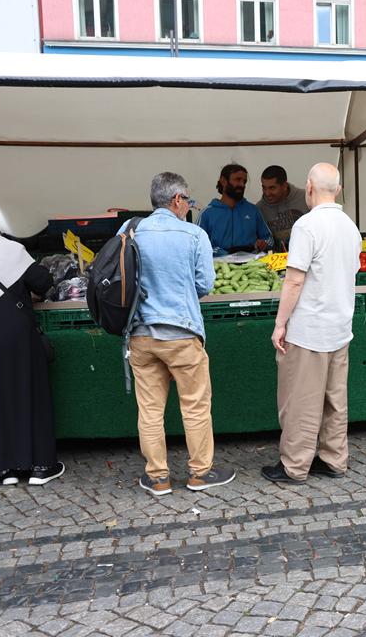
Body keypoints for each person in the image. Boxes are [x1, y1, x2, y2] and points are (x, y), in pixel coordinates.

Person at [127, 172, 235, 495]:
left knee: (149, 410)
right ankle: (200, 473)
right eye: (188, 200)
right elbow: (205, 284)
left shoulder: (130, 230)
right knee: (195, 406)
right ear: (177, 200)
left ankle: (157, 477)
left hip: (141, 334)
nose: (188, 206)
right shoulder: (194, 234)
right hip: (182, 332)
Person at [262, 163, 361, 484]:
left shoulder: (306, 225)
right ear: (339, 190)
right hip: (340, 327)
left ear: (308, 187)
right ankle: (334, 459)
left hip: (309, 329)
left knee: (300, 402)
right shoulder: (351, 227)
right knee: (335, 401)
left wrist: (280, 324)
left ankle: (294, 465)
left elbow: (294, 280)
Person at [0, 201, 64, 486]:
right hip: (17, 336)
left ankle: (3, 469)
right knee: (29, 393)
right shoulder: (9, 250)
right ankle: (40, 467)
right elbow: (44, 282)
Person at [198, 163, 273, 253]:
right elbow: (197, 244)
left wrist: (264, 243)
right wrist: (221, 253)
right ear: (223, 181)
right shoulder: (207, 213)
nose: (242, 184)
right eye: (237, 180)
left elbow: (269, 239)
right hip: (219, 261)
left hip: (251, 261)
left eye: (244, 181)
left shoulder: (253, 210)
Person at [256, 165, 309, 252]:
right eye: (264, 187)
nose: (267, 193)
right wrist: (263, 244)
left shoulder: (306, 198)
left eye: (272, 188)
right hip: (278, 258)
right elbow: (266, 242)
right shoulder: (259, 209)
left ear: (284, 185)